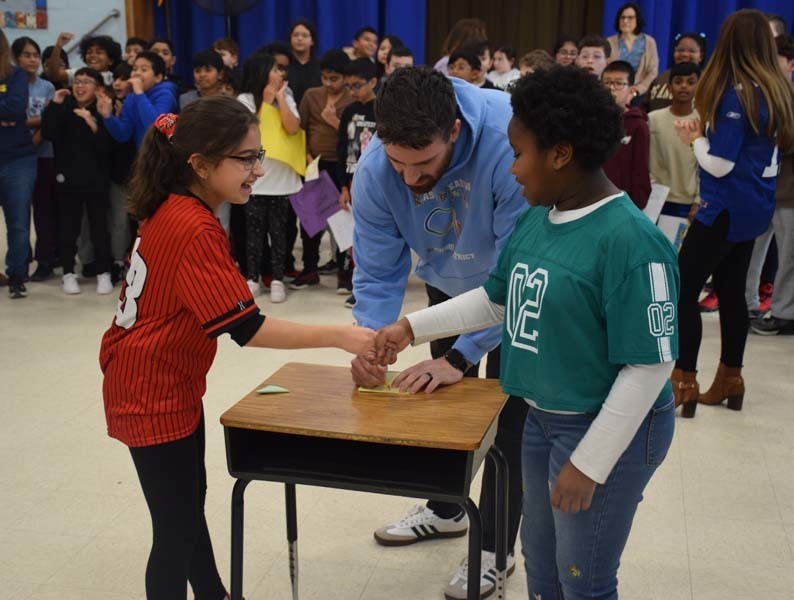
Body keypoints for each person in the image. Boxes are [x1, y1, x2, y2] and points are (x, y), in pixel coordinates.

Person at [373, 64, 678, 600]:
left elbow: (650, 364)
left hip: (607, 432)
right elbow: (495, 299)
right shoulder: (540, 218)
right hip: (542, 418)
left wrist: (589, 463)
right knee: (542, 566)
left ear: (560, 154)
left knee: (581, 577)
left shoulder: (632, 241)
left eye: (518, 154)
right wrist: (410, 327)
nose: (510, 170)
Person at [98, 96, 375, 600]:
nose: (259, 169)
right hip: (150, 389)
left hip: (160, 380)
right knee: (175, 528)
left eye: (258, 154)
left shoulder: (176, 206)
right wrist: (339, 335)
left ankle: (214, 594)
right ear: (200, 166)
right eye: (246, 159)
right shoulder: (192, 225)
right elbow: (246, 328)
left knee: (185, 508)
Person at [350, 67, 528, 600]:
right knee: (438, 405)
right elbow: (379, 272)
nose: (409, 179)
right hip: (447, 287)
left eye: (423, 163)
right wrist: (371, 342)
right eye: (398, 163)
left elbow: (515, 277)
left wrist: (463, 356)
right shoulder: (377, 170)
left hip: (515, 290)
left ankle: (497, 550)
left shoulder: (507, 141)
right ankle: (447, 509)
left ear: (454, 130)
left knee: (507, 426)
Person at [672, 9, 794, 417]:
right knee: (732, 292)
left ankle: (684, 380)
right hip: (755, 207)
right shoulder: (777, 89)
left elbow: (721, 163)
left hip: (724, 209)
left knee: (682, 289)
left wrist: (695, 140)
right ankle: (730, 378)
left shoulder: (737, 94)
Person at [41, 68, 114, 295]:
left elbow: (109, 147)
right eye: (77, 81)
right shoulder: (64, 108)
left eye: (86, 82)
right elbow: (48, 133)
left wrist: (93, 123)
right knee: (68, 229)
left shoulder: (103, 109)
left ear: (97, 88)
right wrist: (54, 103)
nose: (80, 86)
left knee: (99, 229)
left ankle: (104, 273)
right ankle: (68, 273)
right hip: (68, 179)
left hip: (97, 180)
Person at [238, 51, 302, 303]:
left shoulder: (286, 94)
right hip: (254, 176)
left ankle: (277, 279)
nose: (280, 74)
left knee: (279, 231)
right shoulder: (244, 99)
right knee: (253, 232)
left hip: (281, 177)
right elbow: (248, 131)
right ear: (262, 72)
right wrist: (264, 102)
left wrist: (280, 99)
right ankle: (252, 278)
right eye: (275, 69)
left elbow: (293, 127)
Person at [298, 49, 353, 293]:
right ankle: (310, 269)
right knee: (310, 221)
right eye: (325, 78)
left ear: (345, 77)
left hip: (341, 164)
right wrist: (307, 155)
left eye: (335, 79)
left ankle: (344, 273)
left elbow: (353, 133)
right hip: (314, 163)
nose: (329, 84)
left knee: (342, 223)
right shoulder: (311, 95)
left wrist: (333, 120)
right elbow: (300, 129)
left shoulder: (352, 99)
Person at [750, 33, 794, 335]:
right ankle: (744, 304)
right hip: (757, 187)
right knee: (748, 250)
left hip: (789, 190)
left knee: (789, 256)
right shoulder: (758, 93)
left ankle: (783, 312)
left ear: (790, 63)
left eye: (774, 59)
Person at [12, 36, 57, 283]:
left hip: (43, 154)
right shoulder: (8, 83)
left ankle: (45, 260)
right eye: (27, 55)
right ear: (15, 58)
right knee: (18, 212)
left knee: (44, 211)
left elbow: (49, 119)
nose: (32, 60)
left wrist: (30, 133)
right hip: (16, 155)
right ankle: (21, 260)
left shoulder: (46, 87)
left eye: (36, 55)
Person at [334, 58, 378, 306]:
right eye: (348, 86)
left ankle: (377, 286)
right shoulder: (349, 112)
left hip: (377, 182)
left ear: (373, 81)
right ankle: (358, 286)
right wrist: (343, 186)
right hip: (352, 181)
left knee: (378, 238)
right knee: (357, 237)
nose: (352, 91)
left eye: (357, 85)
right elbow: (342, 149)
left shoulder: (383, 109)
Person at [0, 28, 36, 298]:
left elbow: (14, 109)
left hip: (17, 159)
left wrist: (8, 114)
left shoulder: (16, 75)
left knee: (19, 222)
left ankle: (16, 274)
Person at [649, 61, 702, 221]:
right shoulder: (652, 119)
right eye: (678, 82)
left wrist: (699, 201)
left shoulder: (702, 121)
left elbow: (703, 167)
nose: (684, 86)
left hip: (687, 201)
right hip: (655, 198)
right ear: (669, 88)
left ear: (698, 87)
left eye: (690, 82)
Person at [98, 51, 178, 148]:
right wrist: (108, 117)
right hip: (144, 156)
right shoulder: (132, 96)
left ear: (158, 77)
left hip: (167, 156)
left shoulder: (166, 94)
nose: (137, 73)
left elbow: (155, 127)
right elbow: (124, 134)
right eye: (135, 69)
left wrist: (140, 93)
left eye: (144, 70)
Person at [601, 60, 651, 209]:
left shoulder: (637, 125)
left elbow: (640, 172)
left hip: (621, 205)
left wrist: (635, 208)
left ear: (631, 90)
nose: (611, 88)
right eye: (607, 82)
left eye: (618, 83)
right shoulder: (592, 119)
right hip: (591, 201)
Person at [607, 2, 659, 101]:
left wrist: (636, 91)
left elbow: (653, 72)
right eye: (622, 17)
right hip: (614, 92)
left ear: (637, 20)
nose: (625, 21)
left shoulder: (649, 42)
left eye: (630, 18)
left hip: (640, 94)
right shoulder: (609, 42)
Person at [644, 32, 707, 113]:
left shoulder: (708, 81)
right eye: (680, 50)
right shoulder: (660, 79)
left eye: (692, 51)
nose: (685, 54)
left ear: (701, 56)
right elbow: (645, 108)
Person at [45, 32, 121, 87]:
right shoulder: (78, 73)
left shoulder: (116, 78)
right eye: (89, 52)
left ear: (110, 60)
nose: (93, 55)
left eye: (99, 52)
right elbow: (53, 75)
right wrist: (58, 46)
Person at [287, 19, 321, 107]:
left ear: (312, 41)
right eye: (295, 35)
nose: (299, 38)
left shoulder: (320, 66)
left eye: (304, 35)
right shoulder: (284, 65)